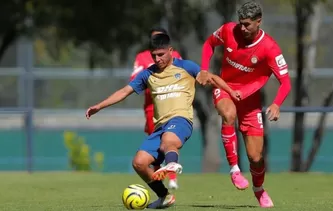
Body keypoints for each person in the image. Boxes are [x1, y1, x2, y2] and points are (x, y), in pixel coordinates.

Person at [86, 33, 239, 209]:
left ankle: (172, 163)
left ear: (171, 51)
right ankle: (164, 196)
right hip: (160, 127)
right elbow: (124, 91)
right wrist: (99, 106)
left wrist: (231, 92)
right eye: (154, 56)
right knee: (139, 162)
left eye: (161, 55)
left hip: (181, 120)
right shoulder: (148, 74)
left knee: (168, 140)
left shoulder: (186, 67)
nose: (157, 59)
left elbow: (212, 78)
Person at [196, 1, 292, 208]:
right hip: (224, 87)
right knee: (228, 114)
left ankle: (259, 189)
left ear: (259, 21)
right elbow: (208, 44)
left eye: (247, 24)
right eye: (241, 23)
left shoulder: (270, 48)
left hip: (250, 99)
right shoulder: (228, 30)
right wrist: (204, 69)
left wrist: (276, 104)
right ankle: (234, 170)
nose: (243, 28)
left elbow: (285, 82)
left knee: (256, 157)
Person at [130, 27, 182, 189]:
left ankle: (173, 178)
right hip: (152, 107)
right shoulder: (143, 57)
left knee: (169, 141)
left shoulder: (175, 56)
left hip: (173, 105)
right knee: (154, 149)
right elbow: (135, 78)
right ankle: (159, 180)